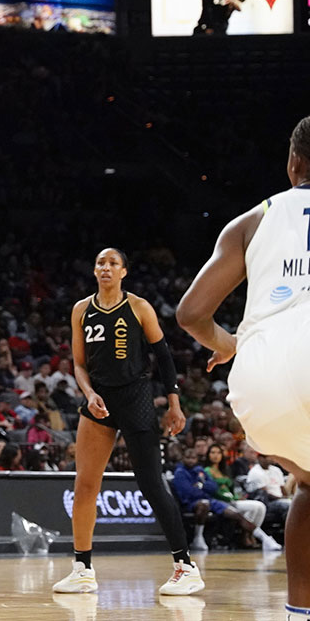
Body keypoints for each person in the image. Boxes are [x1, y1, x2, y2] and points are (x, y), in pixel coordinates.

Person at [176, 116, 310, 620]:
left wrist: (228, 343)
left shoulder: (252, 220)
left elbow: (190, 314)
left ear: (294, 163)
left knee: (309, 484)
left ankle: (299, 613)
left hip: (259, 380)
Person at [53, 248, 203, 597]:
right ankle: (82, 569)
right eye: (100, 263)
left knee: (151, 483)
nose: (105, 268)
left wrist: (174, 404)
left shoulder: (139, 307)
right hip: (100, 400)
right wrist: (88, 394)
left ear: (123, 272)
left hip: (136, 397)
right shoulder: (80, 310)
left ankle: (186, 566)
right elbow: (78, 364)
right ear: (94, 271)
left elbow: (164, 358)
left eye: (112, 263)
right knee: (85, 485)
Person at [172, 447, 279, 551]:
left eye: (193, 458)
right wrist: (203, 487)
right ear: (183, 458)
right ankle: (198, 537)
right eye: (188, 458)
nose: (191, 460)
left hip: (211, 500)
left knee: (237, 515)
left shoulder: (200, 470)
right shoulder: (180, 473)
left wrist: (200, 486)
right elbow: (188, 493)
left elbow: (213, 487)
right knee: (203, 504)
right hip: (191, 503)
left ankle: (264, 538)